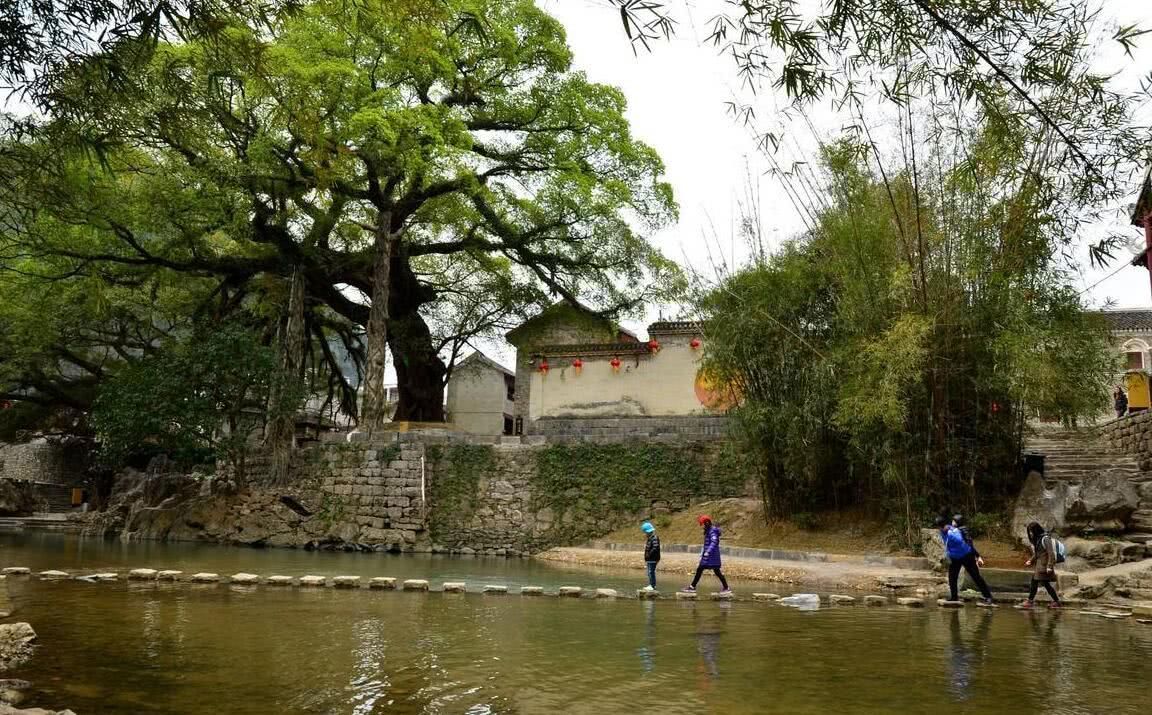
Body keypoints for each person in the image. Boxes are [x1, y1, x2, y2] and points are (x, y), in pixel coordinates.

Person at [937, 514, 995, 606]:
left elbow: (966, 543)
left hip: (966, 556)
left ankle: (988, 597)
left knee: (976, 577)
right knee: (952, 577)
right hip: (955, 557)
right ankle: (954, 597)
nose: (952, 523)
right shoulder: (945, 529)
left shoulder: (961, 530)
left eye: (954, 521)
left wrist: (977, 556)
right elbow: (945, 535)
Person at [1018, 521, 1063, 609]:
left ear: (1036, 530)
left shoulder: (1045, 539)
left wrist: (1049, 566)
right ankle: (1056, 601)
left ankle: (1030, 601)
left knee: (1035, 582)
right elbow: (1038, 553)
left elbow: (1051, 554)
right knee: (1044, 584)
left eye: (1031, 531)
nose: (1030, 533)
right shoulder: (1038, 539)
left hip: (1044, 566)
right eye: (1029, 531)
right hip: (1040, 566)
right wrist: (1030, 560)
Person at [682, 515, 731, 594]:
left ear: (707, 522)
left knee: (704, 570)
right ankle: (726, 587)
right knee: (713, 571)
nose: (703, 526)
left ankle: (692, 587)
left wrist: (708, 551)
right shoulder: (709, 530)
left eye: (703, 524)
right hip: (709, 556)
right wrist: (704, 552)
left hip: (711, 556)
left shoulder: (712, 531)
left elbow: (714, 542)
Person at [641, 521, 661, 591]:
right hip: (650, 559)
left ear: (648, 532)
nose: (645, 534)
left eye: (645, 532)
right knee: (649, 572)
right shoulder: (650, 538)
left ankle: (652, 585)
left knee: (651, 572)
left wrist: (649, 554)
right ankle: (651, 584)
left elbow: (655, 547)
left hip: (653, 558)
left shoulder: (654, 538)